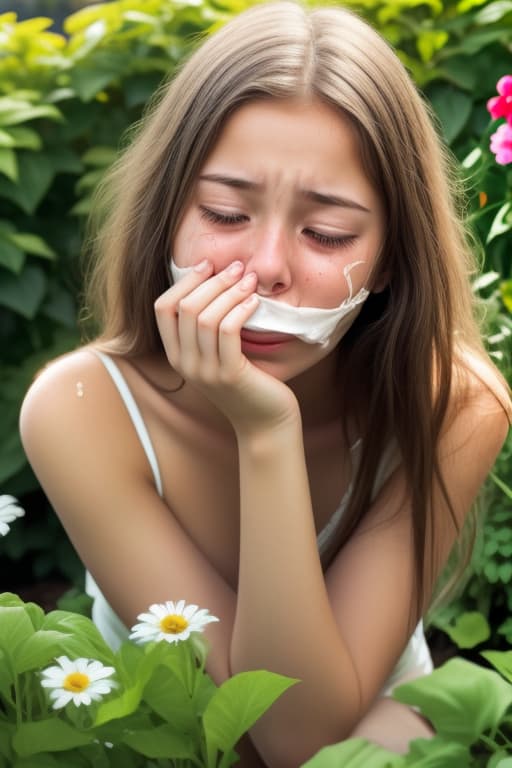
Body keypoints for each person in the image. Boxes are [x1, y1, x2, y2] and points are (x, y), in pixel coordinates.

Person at [19, 2, 511, 765]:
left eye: (327, 234)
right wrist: (263, 430)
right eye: (224, 213)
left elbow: (300, 736)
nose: (267, 267)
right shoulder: (82, 410)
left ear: (388, 260)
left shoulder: (456, 403)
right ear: (167, 219)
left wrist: (265, 431)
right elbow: (262, 734)